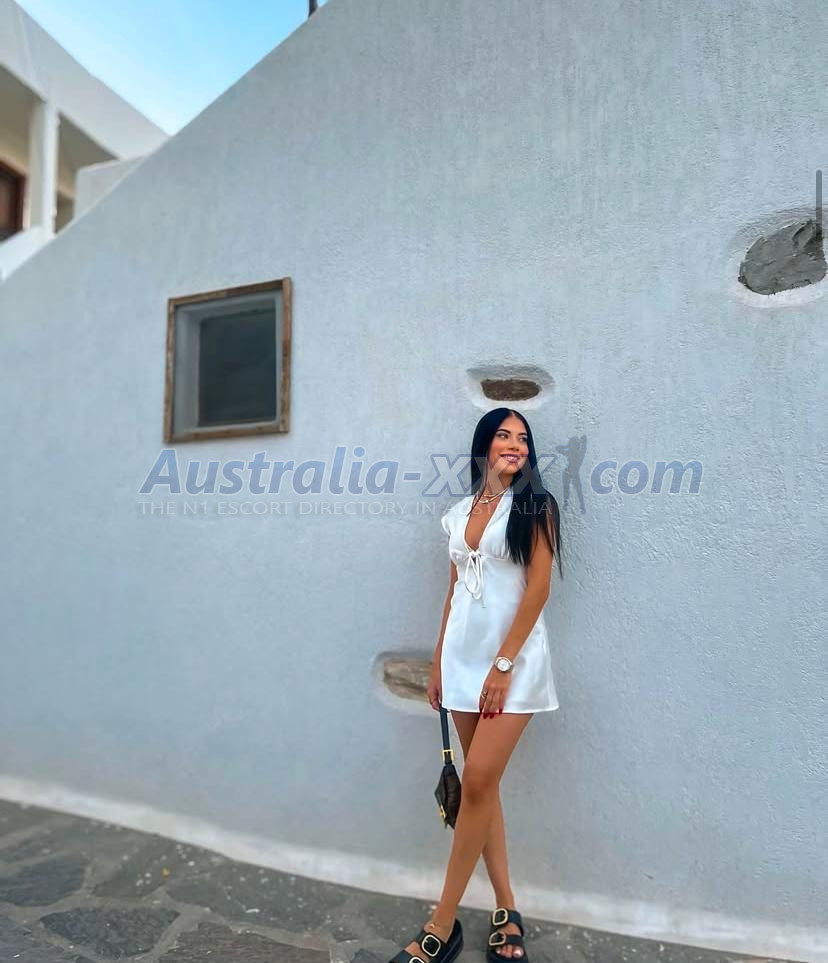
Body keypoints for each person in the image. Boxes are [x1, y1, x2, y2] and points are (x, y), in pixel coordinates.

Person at [388, 408, 563, 963]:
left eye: (523, 438)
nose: (515, 444)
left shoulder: (535, 507)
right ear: (484, 446)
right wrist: (439, 663)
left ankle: (441, 925)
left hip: (513, 665)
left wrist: (503, 666)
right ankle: (506, 908)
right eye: (504, 435)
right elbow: (454, 591)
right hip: (462, 664)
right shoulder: (459, 512)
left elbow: (539, 589)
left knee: (480, 779)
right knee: (482, 790)